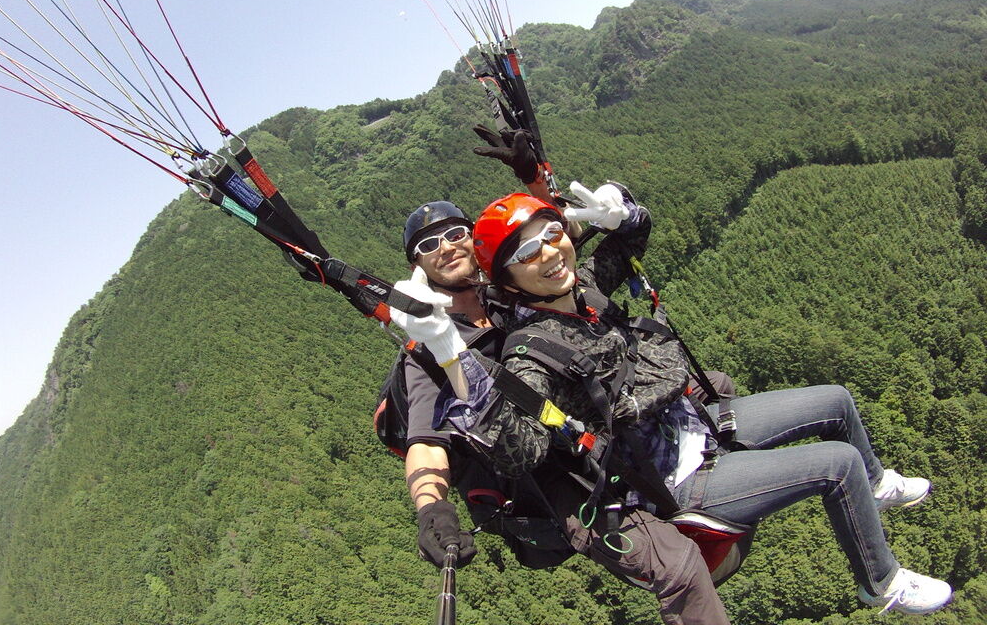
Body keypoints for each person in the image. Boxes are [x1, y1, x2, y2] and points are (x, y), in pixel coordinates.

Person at [392, 183, 953, 616]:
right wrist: (449, 353)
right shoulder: (527, 353)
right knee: (838, 465)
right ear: (509, 276)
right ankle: (880, 583)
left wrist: (620, 214)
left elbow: (627, 242)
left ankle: (876, 489)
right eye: (528, 250)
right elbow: (514, 448)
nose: (548, 252)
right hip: (675, 475)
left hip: (693, 424)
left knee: (836, 402)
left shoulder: (578, 288)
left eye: (553, 234)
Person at [395, 195, 733, 624]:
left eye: (456, 234)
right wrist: (431, 508)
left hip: (595, 417)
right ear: (418, 266)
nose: (445, 246)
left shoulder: (506, 290)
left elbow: (552, 244)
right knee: (676, 568)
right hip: (549, 468)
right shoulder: (425, 350)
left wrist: (542, 183)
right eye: (428, 245)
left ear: (473, 241)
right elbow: (426, 443)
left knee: (715, 385)